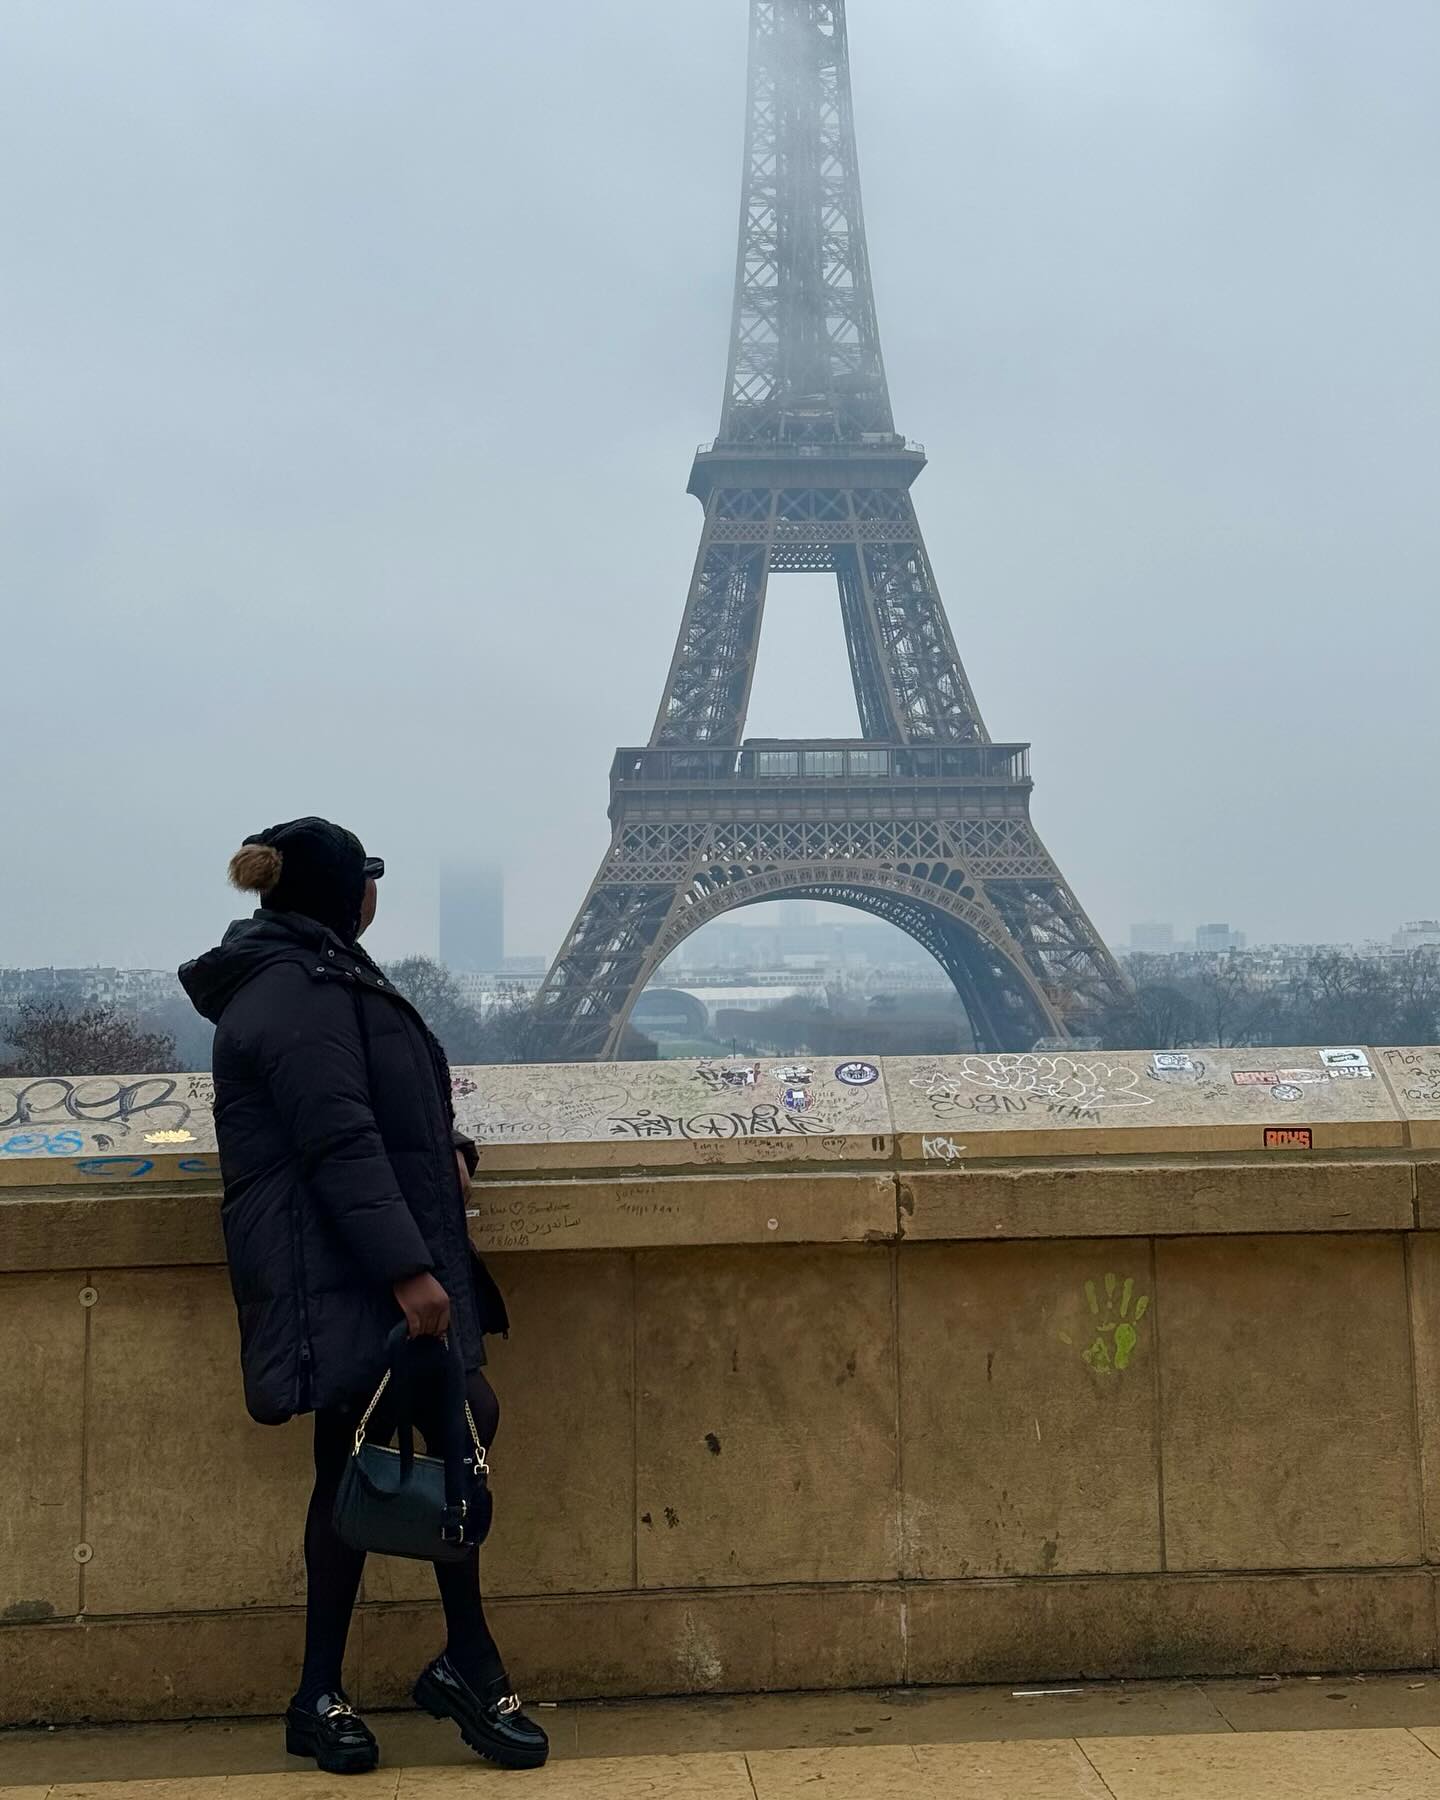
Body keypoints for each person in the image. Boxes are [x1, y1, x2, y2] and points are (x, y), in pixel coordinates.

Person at [179, 816, 548, 1776]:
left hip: (348, 1260)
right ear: (341, 892)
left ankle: (335, 1688)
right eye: (369, 878)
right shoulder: (300, 990)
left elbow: (373, 1114)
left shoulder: (312, 977)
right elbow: (335, 1138)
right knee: (440, 1437)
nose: (378, 892)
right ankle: (451, 1665)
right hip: (348, 1271)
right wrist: (409, 1272)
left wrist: (447, 1152)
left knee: (382, 1458)